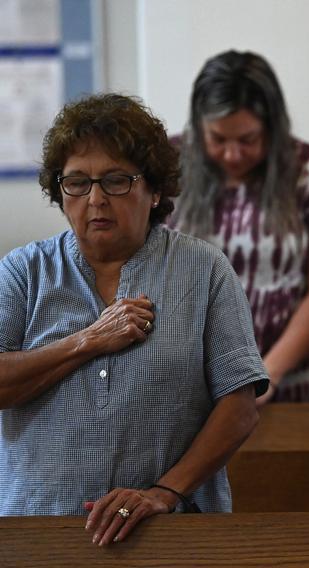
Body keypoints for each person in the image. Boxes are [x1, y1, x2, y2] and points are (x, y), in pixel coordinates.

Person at [0, 94, 267, 545]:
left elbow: (240, 408)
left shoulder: (203, 270)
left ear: (155, 189)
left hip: (171, 531)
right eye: (77, 183)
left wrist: (164, 493)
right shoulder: (24, 271)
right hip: (38, 530)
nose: (96, 199)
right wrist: (89, 340)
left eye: (117, 181)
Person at [171, 50, 309, 403]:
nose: (232, 154)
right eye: (218, 139)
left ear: (273, 126)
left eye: (247, 140)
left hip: (297, 384)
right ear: (198, 125)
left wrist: (268, 373)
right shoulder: (168, 167)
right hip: (190, 385)